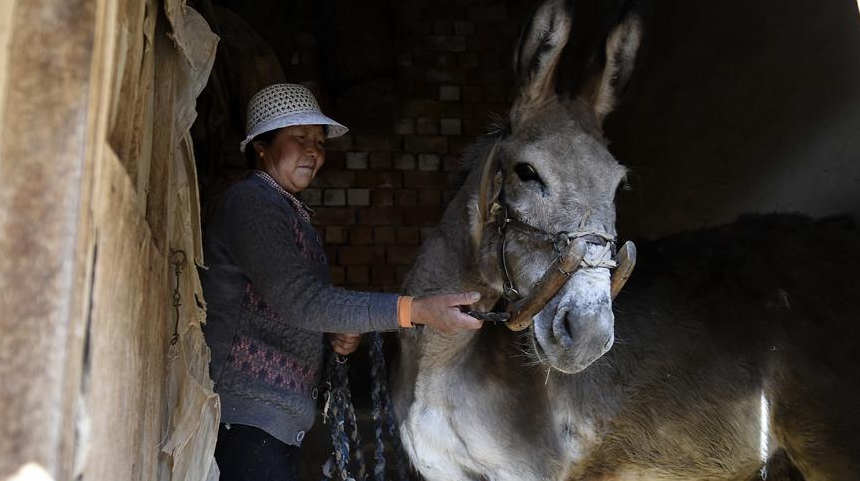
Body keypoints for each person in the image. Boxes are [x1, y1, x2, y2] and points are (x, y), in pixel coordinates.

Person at [201, 83, 483, 481]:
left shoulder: (291, 216)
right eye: (298, 138)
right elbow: (302, 302)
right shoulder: (251, 203)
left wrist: (331, 335)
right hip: (243, 421)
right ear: (261, 147)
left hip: (271, 426)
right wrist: (414, 310)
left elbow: (288, 309)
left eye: (318, 141)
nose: (313, 151)